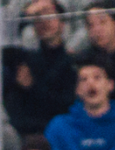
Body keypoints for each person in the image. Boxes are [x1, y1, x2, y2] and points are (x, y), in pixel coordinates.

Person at [5, 0, 75, 136]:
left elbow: (64, 104)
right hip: (27, 131)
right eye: (38, 17)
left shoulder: (71, 62)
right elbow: (7, 45)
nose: (44, 21)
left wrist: (32, 87)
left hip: (59, 130)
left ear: (62, 23)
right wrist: (24, 14)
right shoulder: (26, 59)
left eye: (50, 15)